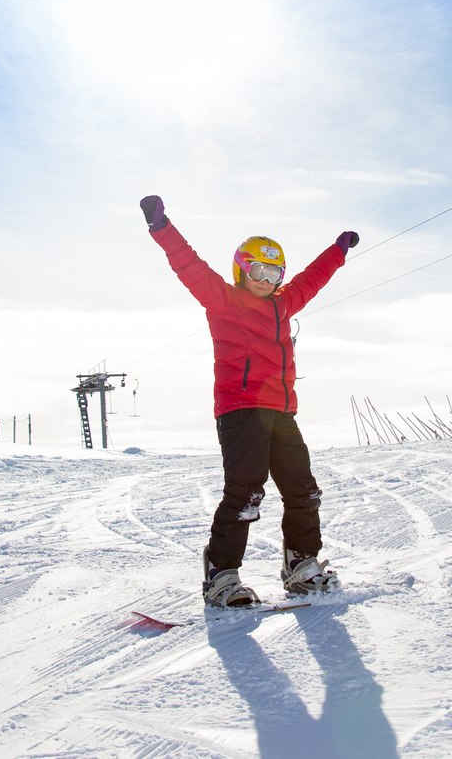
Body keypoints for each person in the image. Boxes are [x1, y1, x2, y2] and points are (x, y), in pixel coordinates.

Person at [139, 195, 359, 608]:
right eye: (257, 270)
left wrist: (338, 251)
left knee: (303, 490)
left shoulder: (283, 304)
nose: (265, 279)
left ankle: (302, 565)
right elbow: (189, 265)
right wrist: (161, 227)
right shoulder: (223, 299)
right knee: (245, 493)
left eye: (273, 272)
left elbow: (313, 278)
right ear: (241, 270)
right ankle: (221, 576)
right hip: (241, 410)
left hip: (282, 413)